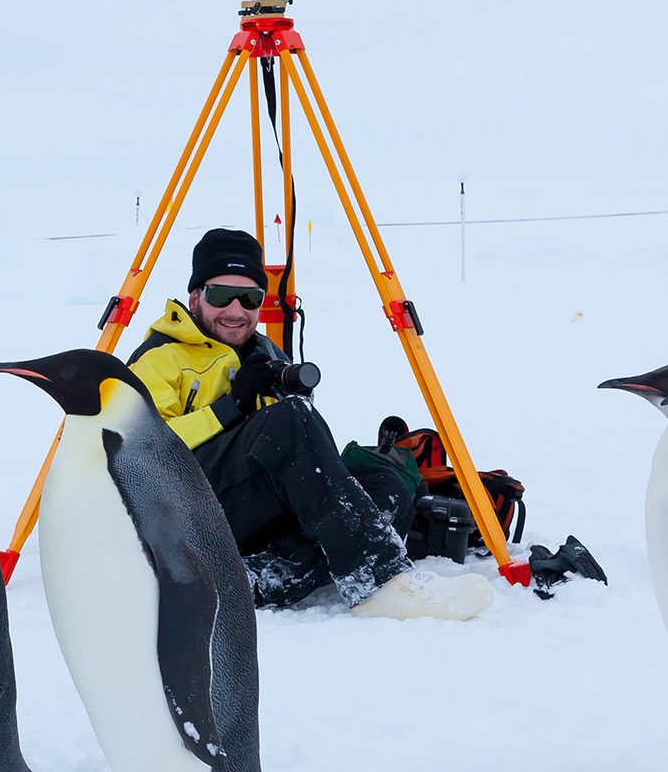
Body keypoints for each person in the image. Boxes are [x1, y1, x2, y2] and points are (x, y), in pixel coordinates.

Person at [125, 228, 492, 621]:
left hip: (253, 511)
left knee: (384, 486)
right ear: (194, 297)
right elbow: (140, 452)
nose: (235, 310)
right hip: (184, 512)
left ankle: (253, 580)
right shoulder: (159, 357)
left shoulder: (265, 353)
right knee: (291, 420)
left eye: (249, 298)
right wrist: (231, 407)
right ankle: (379, 582)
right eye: (220, 295)